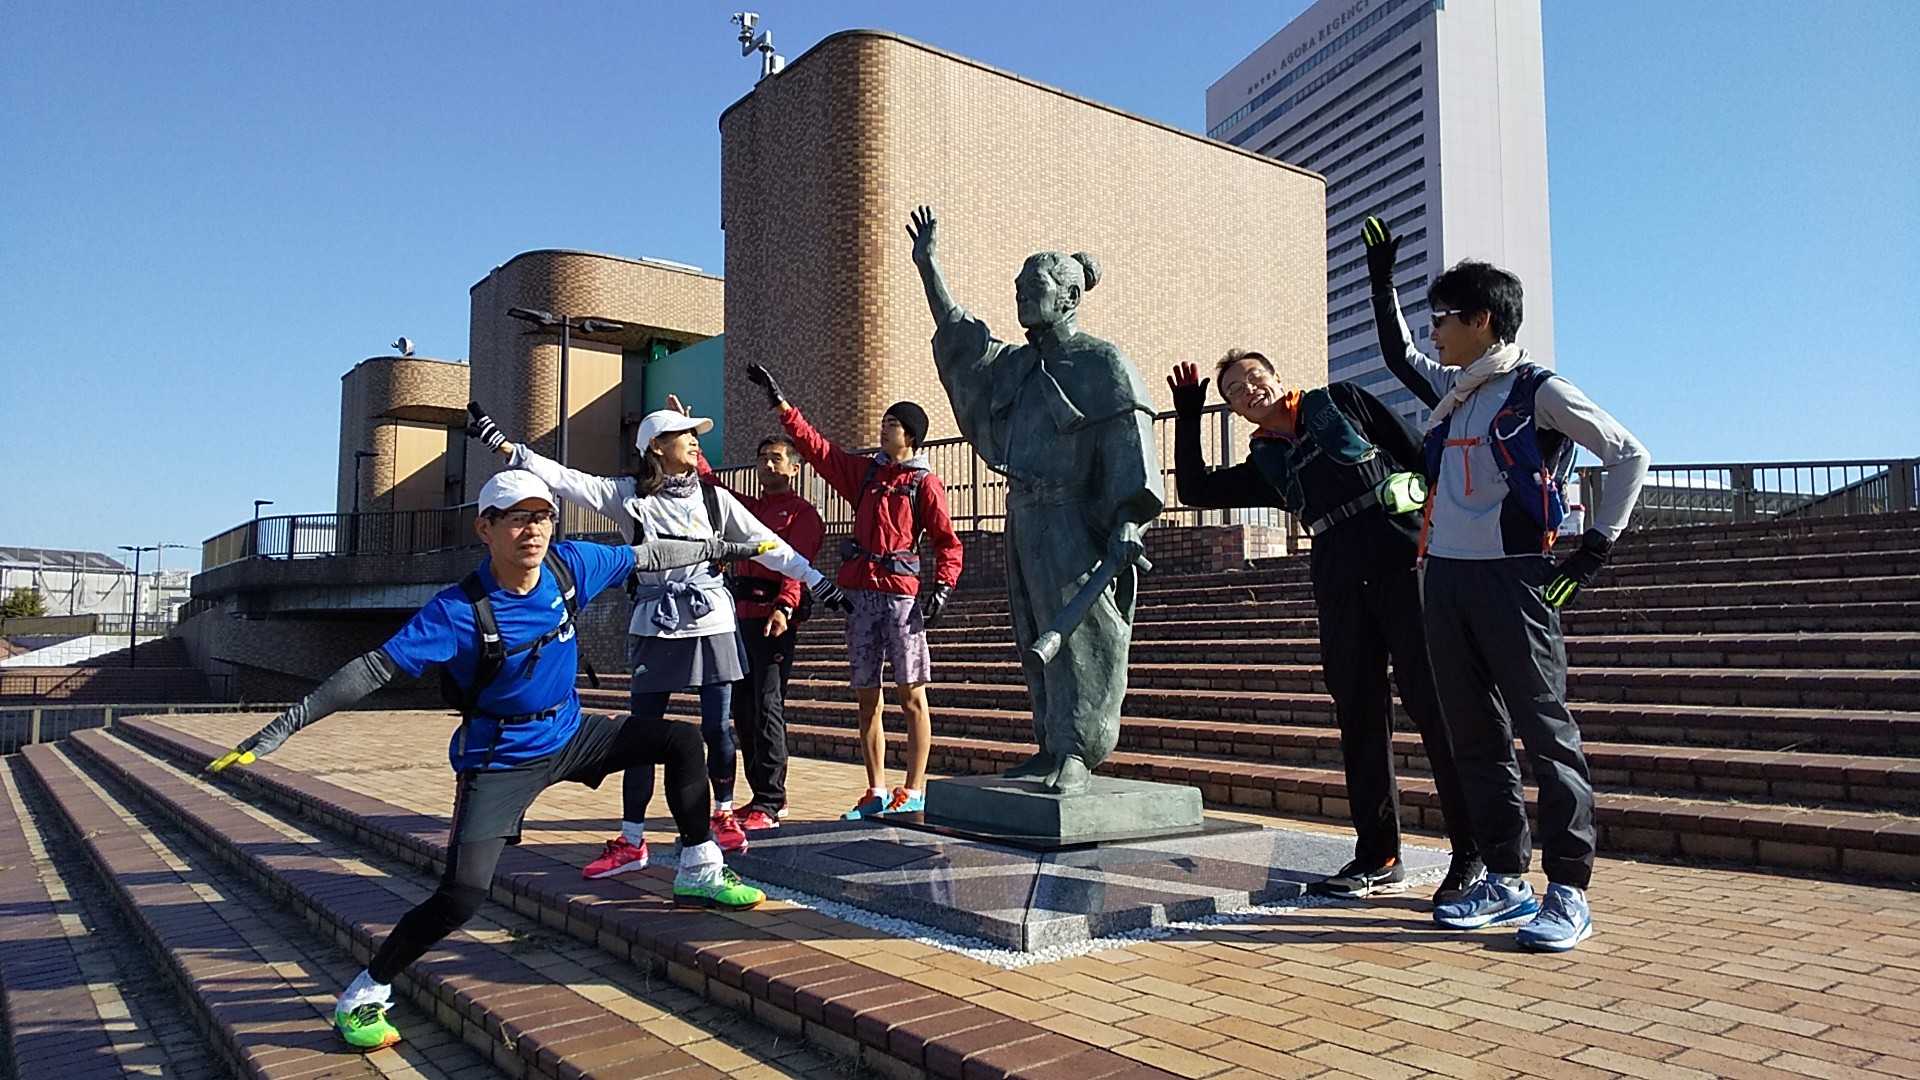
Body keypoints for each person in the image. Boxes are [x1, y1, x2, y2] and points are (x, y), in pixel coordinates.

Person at [204, 469, 772, 1051]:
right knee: (462, 895)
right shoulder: (455, 610)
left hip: (571, 733)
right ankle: (365, 992)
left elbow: (651, 555)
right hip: (500, 758)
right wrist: (286, 725)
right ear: (486, 529)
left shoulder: (570, 565)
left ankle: (698, 869)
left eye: (544, 517)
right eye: (519, 519)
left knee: (679, 741)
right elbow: (373, 669)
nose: (534, 531)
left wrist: (729, 548)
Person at [1362, 215, 1650, 952]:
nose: (1434, 332)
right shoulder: (1455, 389)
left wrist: (1593, 551)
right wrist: (1381, 280)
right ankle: (1504, 876)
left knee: (1545, 732)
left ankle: (1569, 889)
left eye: (1444, 318)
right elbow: (1397, 355)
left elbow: (1629, 454)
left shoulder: (1536, 388)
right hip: (1445, 580)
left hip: (1515, 580)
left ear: (1482, 321)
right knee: (1475, 735)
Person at [465, 402, 846, 871]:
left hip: (711, 620)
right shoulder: (626, 496)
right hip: (655, 621)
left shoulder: (714, 498)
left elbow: (769, 544)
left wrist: (816, 581)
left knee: (716, 727)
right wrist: (507, 447)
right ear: (656, 448)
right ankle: (632, 840)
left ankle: (723, 814)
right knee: (641, 733)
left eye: (694, 432)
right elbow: (565, 479)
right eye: (684, 433)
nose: (695, 439)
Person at [1169, 353, 1482, 906]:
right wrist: (1189, 413)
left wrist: (1446, 539)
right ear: (1237, 412)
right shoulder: (1268, 462)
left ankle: (1472, 853)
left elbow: (1422, 454)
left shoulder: (1343, 402)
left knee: (1435, 705)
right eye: (1235, 391)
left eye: (1254, 378)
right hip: (1339, 581)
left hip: (1404, 563)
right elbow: (1195, 489)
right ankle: (1378, 856)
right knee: (1358, 716)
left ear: (1278, 377)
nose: (1249, 390)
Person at [908, 205, 1162, 796]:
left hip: (1077, 520)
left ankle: (1077, 751)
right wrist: (929, 268)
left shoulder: (1103, 363)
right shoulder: (1018, 365)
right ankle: (1048, 742)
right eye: (1019, 286)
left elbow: (1131, 444)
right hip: (1024, 516)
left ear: (1070, 296)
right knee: (1033, 634)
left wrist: (1130, 519)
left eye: (1036, 286)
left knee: (1083, 637)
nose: (1023, 294)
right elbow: (964, 343)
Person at [742, 363, 964, 818]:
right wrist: (781, 405)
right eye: (884, 421)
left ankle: (914, 789)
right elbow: (818, 449)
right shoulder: (865, 474)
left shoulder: (923, 483)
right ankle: (876, 789)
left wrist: (943, 585)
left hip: (901, 597)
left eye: (893, 423)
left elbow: (947, 541)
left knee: (912, 695)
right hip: (860, 598)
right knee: (867, 697)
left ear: (912, 436)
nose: (885, 428)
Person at [697, 433, 825, 829]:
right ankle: (759, 796)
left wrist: (785, 605)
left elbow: (797, 566)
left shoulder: (803, 515)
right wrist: (692, 444)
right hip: (740, 617)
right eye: (762, 457)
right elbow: (714, 488)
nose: (768, 465)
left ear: (794, 468)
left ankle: (772, 799)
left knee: (768, 705)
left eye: (776, 458)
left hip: (775, 618)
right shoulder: (749, 509)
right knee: (743, 708)